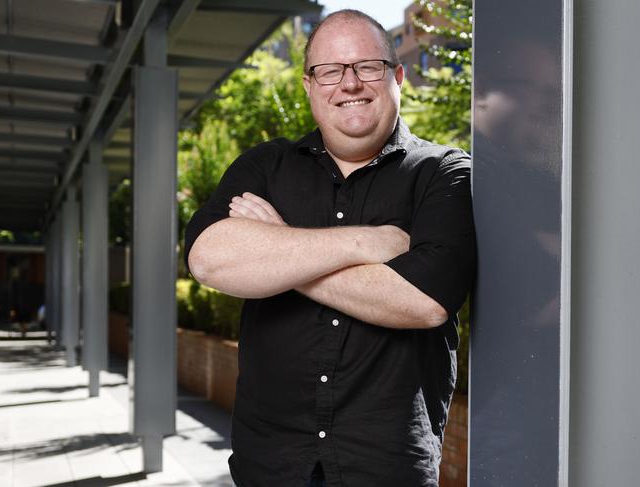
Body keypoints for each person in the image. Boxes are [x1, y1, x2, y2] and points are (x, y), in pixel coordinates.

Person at [185, 9, 476, 487]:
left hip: (386, 466)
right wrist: (368, 241)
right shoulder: (265, 165)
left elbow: (424, 302)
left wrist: (276, 249)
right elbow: (208, 258)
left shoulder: (445, 173)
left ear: (397, 75)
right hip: (271, 462)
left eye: (367, 66)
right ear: (308, 85)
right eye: (330, 70)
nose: (350, 83)